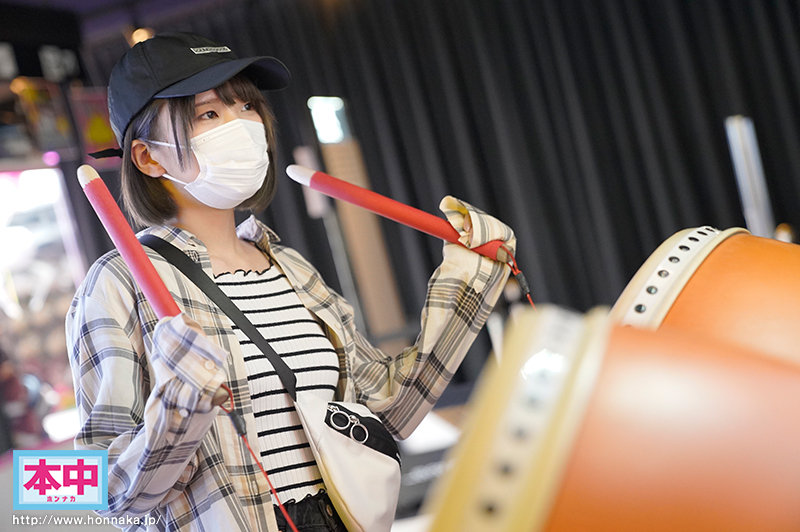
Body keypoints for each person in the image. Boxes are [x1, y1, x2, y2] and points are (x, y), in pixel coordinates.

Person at [66, 32, 516, 532]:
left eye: (246, 106)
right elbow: (96, 488)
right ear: (149, 157)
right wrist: (178, 405)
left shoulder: (286, 264)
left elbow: (387, 408)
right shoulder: (119, 283)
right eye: (208, 114)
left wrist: (468, 273)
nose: (242, 125)